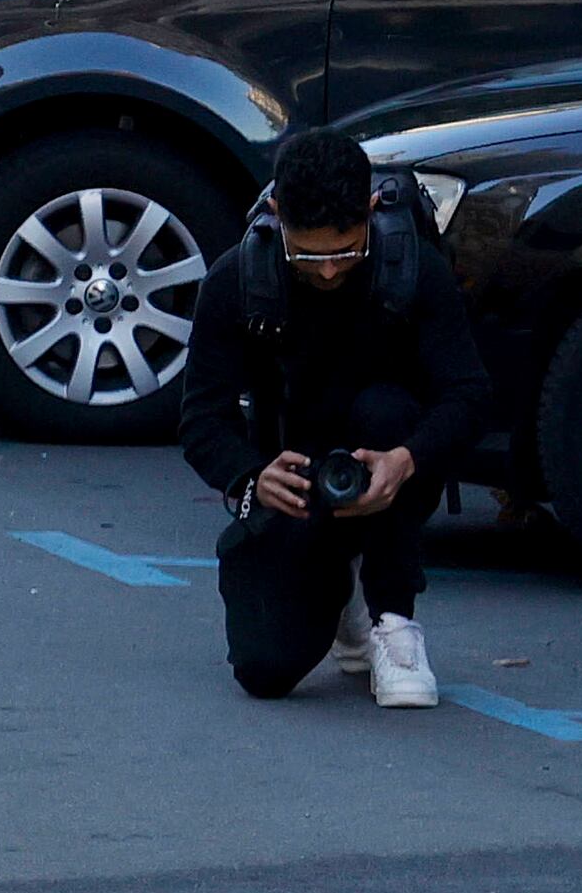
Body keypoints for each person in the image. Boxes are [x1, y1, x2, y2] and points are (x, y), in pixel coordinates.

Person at [182, 126, 491, 709]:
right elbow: (201, 419)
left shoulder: (414, 268)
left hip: (391, 458)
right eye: (308, 254)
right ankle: (343, 593)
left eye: (346, 250)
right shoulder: (239, 280)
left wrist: (408, 459)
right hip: (294, 479)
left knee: (388, 412)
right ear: (275, 215)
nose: (327, 271)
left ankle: (394, 619)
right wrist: (251, 476)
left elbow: (470, 395)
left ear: (371, 209)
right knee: (264, 670)